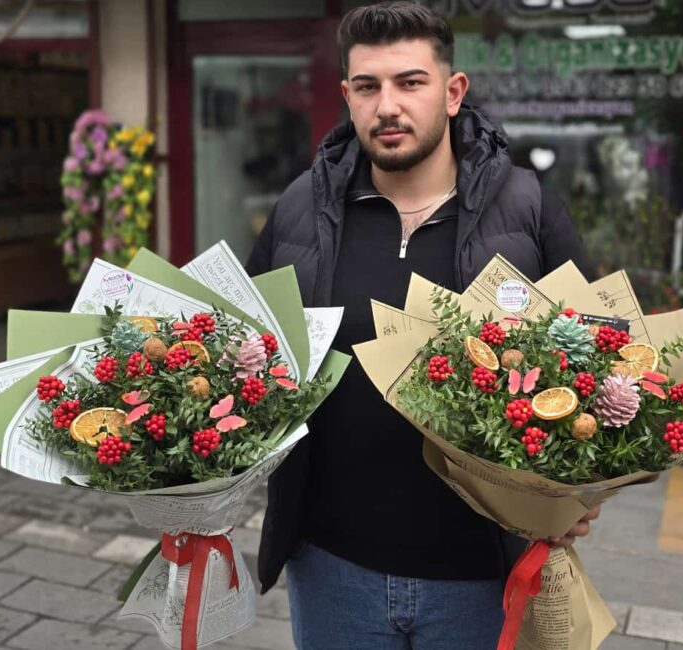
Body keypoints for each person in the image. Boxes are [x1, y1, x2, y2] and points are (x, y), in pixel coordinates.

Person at [245, 3, 597, 647]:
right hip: (331, 566)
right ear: (346, 95)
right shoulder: (300, 209)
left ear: (452, 91)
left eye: (410, 82)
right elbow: (247, 354)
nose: (388, 106)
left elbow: (603, 356)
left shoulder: (525, 207)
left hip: (482, 572)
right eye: (368, 86)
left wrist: (577, 487)